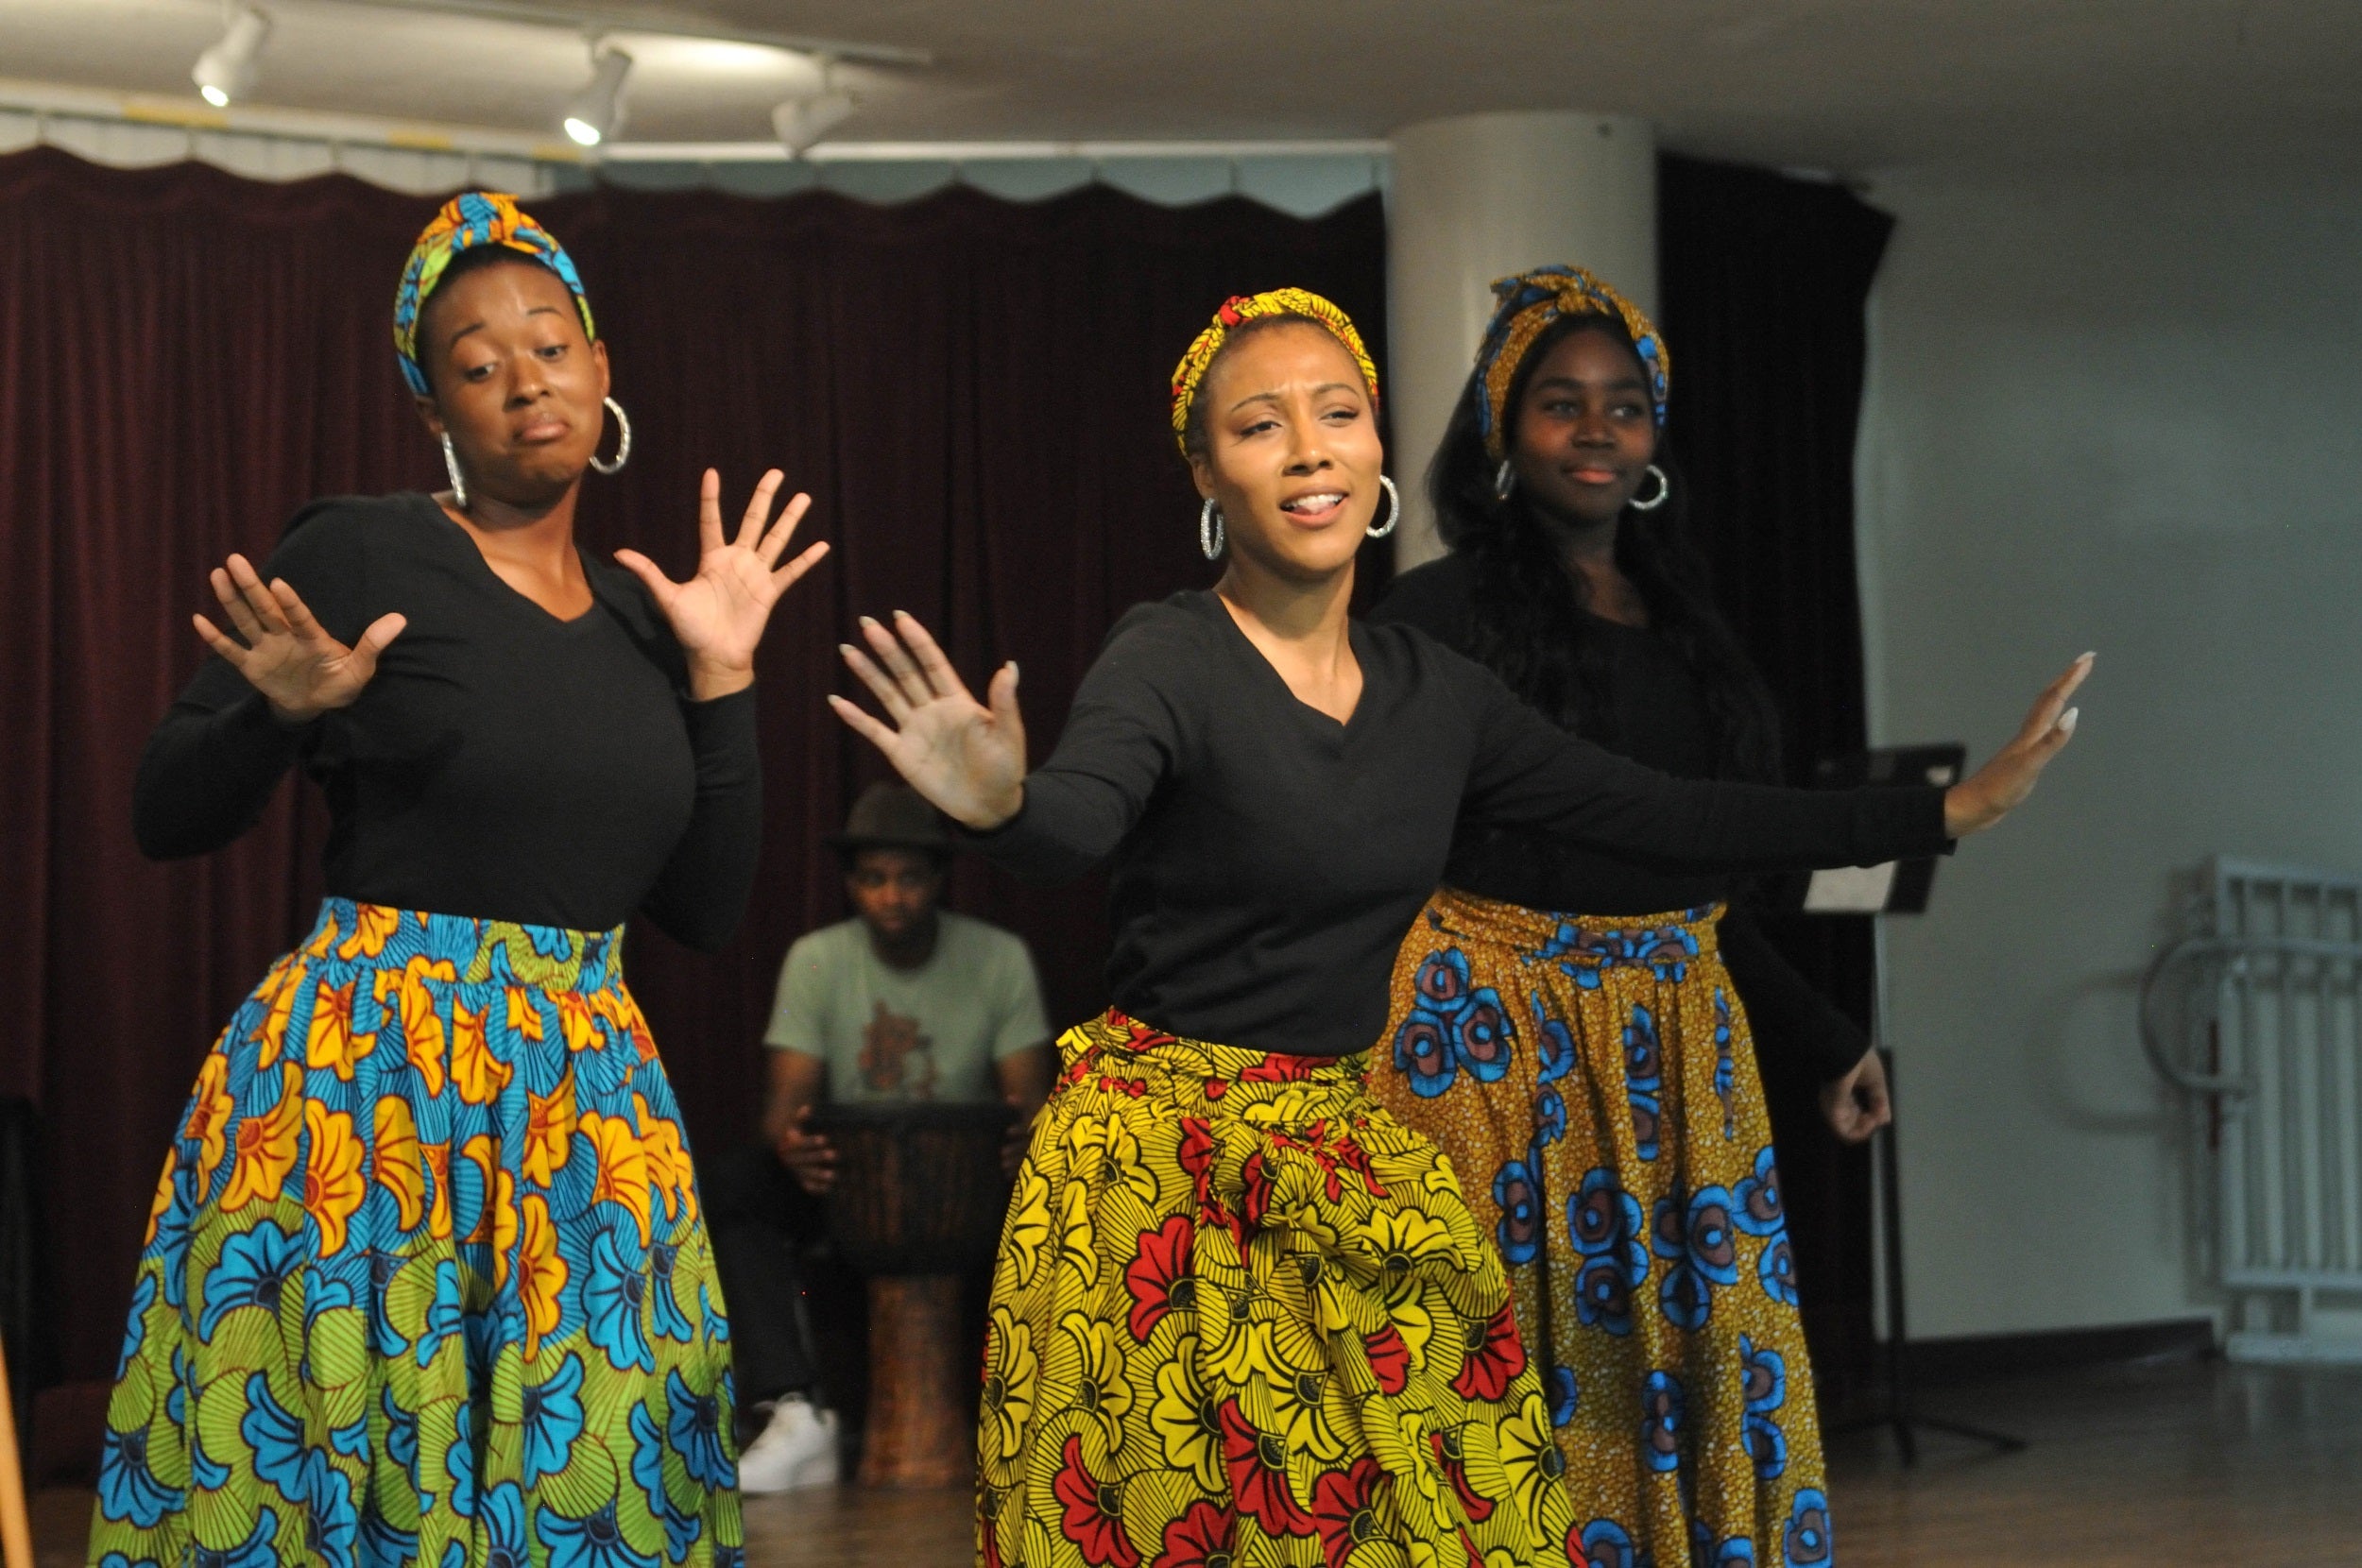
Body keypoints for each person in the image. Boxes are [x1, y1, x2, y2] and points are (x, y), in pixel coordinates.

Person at [824, 288, 2085, 1568]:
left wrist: (1950, 810)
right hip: (1162, 1182)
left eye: (1338, 412)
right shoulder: (1169, 655)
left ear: (1375, 451)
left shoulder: (1442, 698)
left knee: (1476, 1517)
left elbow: (1673, 819)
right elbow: (1077, 823)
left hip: (1341, 1148)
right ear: (1209, 473)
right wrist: (1001, 807)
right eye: (1262, 426)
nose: (1310, 448)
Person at [94, 192, 826, 1568]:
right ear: (435, 404)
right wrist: (284, 713)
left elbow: (707, 910)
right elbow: (160, 813)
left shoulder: (640, 617)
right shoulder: (367, 552)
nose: (521, 379)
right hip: (366, 1093)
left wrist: (724, 679)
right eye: (476, 363)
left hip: (584, 1108)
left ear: (602, 370)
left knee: (594, 1490)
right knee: (348, 1492)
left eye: (548, 343)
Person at [1367, 264, 1982, 1567]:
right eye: (1558, 403)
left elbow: (1692, 883)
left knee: (1696, 1367)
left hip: (1673, 1049)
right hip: (1491, 1041)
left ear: (1654, 436)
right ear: (1500, 430)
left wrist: (1825, 1038)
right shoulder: (1433, 616)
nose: (1597, 430)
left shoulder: (1691, 624)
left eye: (1625, 406)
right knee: (1502, 1391)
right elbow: (1361, 852)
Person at [711, 781, 1054, 1492]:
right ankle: (796, 1405)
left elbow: (1034, 1104)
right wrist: (792, 1148)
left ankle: (1044, 1415)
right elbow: (782, 1111)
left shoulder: (998, 958)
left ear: (937, 879)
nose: (891, 897)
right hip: (850, 1188)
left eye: (907, 878)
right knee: (735, 1186)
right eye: (873, 879)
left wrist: (1023, 1144)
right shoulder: (817, 959)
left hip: (973, 1189)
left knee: (1068, 1190)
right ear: (850, 883)